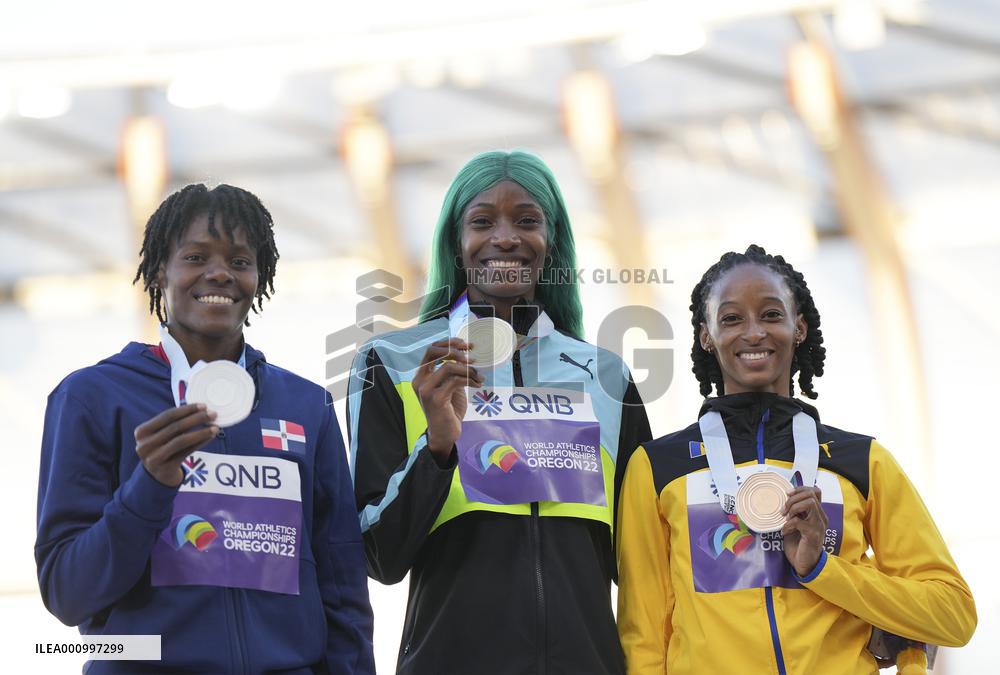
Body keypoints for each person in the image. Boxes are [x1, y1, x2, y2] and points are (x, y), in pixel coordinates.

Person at [35, 184, 375, 674]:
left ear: (260, 276)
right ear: (159, 269)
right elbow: (68, 592)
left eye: (240, 261)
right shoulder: (91, 397)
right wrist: (147, 488)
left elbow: (343, 584)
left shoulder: (306, 406)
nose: (220, 273)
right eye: (195, 256)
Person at [349, 150, 651, 674]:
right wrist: (438, 447)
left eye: (527, 220)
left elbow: (643, 560)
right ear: (455, 241)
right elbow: (380, 556)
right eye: (482, 221)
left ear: (551, 239)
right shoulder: (392, 364)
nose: (506, 237)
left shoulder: (606, 376)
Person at [616, 245, 977, 674]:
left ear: (799, 327)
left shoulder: (862, 461)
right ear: (706, 335)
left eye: (771, 315)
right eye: (731, 318)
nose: (753, 333)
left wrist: (823, 570)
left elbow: (953, 613)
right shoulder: (659, 467)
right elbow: (643, 635)